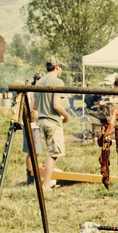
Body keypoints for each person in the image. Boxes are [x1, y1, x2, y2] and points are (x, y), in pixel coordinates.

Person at [35, 57, 70, 190]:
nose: (61, 70)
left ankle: (47, 182)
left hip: (42, 120)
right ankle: (45, 185)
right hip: (53, 121)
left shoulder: (39, 82)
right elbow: (56, 105)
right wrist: (66, 116)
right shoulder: (57, 82)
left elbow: (33, 106)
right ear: (57, 67)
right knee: (54, 154)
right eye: (61, 67)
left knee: (52, 152)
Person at [22, 71, 44, 186]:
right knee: (35, 152)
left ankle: (30, 177)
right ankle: (31, 179)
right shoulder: (34, 92)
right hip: (33, 125)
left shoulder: (30, 91)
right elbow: (34, 112)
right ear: (37, 80)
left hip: (29, 124)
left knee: (32, 152)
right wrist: (41, 125)